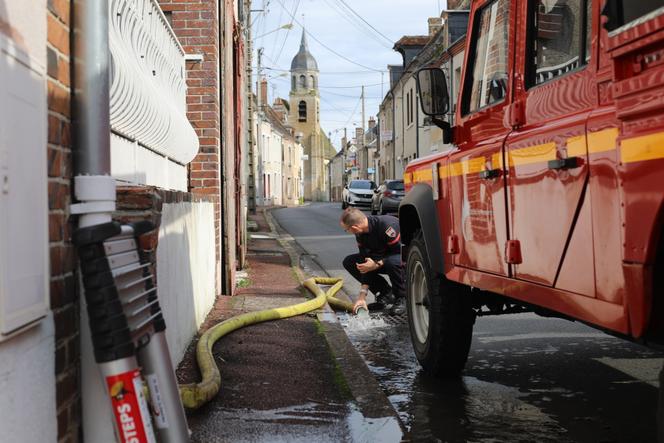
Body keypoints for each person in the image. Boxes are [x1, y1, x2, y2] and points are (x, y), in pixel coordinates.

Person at [339, 207, 406, 315]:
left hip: (405, 257)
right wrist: (362, 297)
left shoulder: (386, 226)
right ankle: (386, 294)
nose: (348, 232)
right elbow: (364, 261)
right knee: (350, 262)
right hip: (383, 259)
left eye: (347, 230)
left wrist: (376, 264)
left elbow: (401, 253)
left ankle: (402, 297)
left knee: (391, 262)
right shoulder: (360, 234)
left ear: (355, 227)